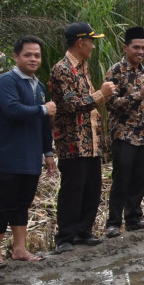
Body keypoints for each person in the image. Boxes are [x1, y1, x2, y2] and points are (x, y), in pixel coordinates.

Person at [0, 36, 57, 267]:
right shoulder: (7, 81)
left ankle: (19, 249)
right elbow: (12, 109)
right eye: (28, 54)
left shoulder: (39, 85)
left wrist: (48, 153)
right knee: (4, 203)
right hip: (8, 154)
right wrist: (43, 109)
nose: (33, 59)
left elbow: (44, 123)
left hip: (30, 155)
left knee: (23, 203)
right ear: (16, 56)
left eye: (37, 55)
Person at [49, 22, 115, 253]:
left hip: (90, 140)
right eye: (91, 41)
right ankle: (65, 237)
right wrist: (101, 95)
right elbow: (70, 105)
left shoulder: (82, 67)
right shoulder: (62, 69)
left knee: (91, 188)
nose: (93, 47)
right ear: (80, 42)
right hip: (72, 142)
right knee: (72, 189)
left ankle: (83, 231)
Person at [104, 26, 144, 237]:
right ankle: (113, 222)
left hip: (143, 135)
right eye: (136, 47)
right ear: (125, 47)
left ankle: (134, 218)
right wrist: (138, 95)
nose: (141, 51)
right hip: (123, 135)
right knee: (121, 179)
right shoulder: (115, 72)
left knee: (139, 179)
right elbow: (110, 104)